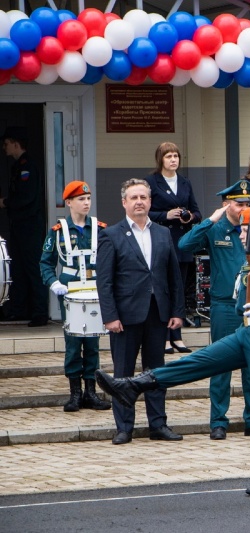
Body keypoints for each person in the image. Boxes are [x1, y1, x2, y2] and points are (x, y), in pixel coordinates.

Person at [96, 206, 250, 496]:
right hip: (249, 333)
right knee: (199, 360)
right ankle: (135, 385)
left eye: (247, 228)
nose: (242, 232)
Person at [96, 179, 185, 445]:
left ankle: (158, 424)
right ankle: (124, 427)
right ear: (124, 202)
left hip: (158, 314)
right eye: (134, 197)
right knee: (123, 373)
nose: (139, 202)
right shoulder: (111, 235)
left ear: (150, 201)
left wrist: (177, 312)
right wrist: (110, 316)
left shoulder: (162, 233)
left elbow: (174, 276)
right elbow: (105, 280)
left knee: (156, 372)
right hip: (124, 317)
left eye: (143, 197)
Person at [177, 179, 250, 440]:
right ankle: (218, 421)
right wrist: (209, 221)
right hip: (225, 305)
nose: (244, 207)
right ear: (226, 205)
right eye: (238, 203)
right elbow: (185, 245)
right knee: (221, 363)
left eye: (247, 203)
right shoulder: (216, 228)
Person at [39, 181, 110, 412]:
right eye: (81, 199)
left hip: (94, 291)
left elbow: (111, 260)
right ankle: (75, 393)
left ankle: (91, 391)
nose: (86, 203)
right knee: (72, 343)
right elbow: (45, 263)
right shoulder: (57, 231)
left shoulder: (99, 228)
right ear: (69, 202)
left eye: (88, 199)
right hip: (70, 292)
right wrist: (54, 283)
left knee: (92, 342)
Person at [144, 142, 200, 354]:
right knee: (163, 289)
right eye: (169, 156)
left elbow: (197, 212)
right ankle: (164, 337)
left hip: (182, 240)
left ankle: (177, 335)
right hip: (160, 239)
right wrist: (164, 215)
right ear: (161, 159)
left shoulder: (185, 182)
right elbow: (143, 212)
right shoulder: (151, 182)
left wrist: (189, 217)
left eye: (176, 156)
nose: (173, 160)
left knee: (179, 288)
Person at [0, 126, 49, 326]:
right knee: (17, 267)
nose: (4, 147)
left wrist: (5, 203)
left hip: (30, 226)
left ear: (15, 143)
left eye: (6, 144)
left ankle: (40, 313)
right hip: (19, 225)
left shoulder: (28, 166)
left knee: (33, 267)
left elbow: (27, 197)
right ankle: (18, 309)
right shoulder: (17, 166)